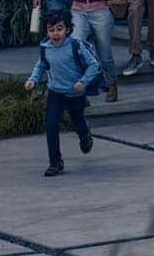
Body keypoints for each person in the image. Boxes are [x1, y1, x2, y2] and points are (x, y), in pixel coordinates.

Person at [25, 10, 100, 177]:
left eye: (59, 29)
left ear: (67, 29)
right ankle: (55, 163)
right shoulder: (46, 48)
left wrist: (83, 82)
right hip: (55, 93)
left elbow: (94, 65)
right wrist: (33, 79)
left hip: (74, 94)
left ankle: (85, 136)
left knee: (78, 121)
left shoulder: (75, 46)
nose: (55, 33)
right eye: (51, 30)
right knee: (51, 126)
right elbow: (42, 65)